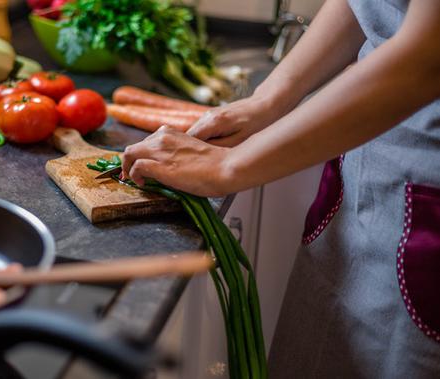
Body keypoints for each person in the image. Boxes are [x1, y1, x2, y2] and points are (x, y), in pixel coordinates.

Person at [121, 0, 440, 377]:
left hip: (425, 193)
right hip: (370, 172)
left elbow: (426, 57)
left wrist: (228, 165)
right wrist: (267, 100)